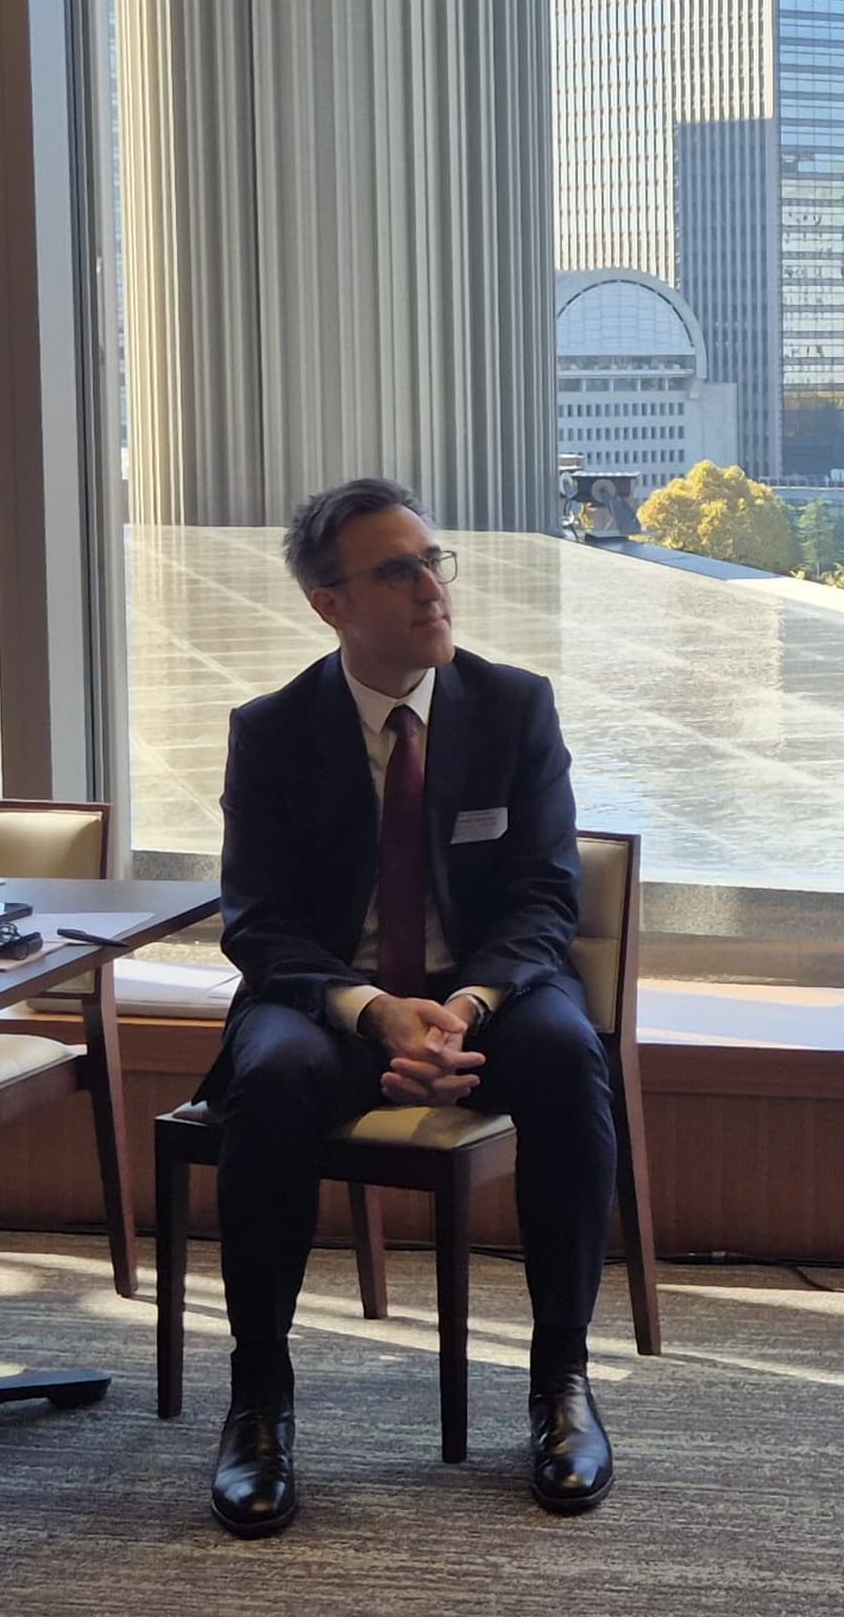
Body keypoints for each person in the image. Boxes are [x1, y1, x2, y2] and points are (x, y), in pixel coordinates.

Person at [199, 477, 620, 1535]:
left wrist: (464, 1005)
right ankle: (259, 1404)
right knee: (273, 1076)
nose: (433, 587)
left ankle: (562, 1387)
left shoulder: (513, 707)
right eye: (398, 571)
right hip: (330, 1003)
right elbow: (256, 924)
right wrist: (371, 1008)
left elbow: (543, 896)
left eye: (435, 562)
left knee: (569, 1056)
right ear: (330, 603)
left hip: (489, 995)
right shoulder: (274, 731)